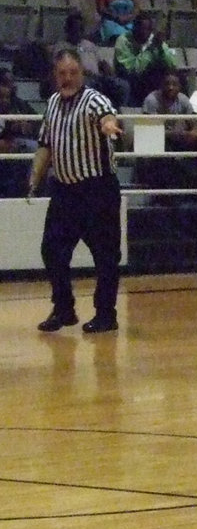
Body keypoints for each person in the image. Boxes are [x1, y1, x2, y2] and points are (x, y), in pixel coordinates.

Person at [27, 48, 124, 334]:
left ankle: (106, 314)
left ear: (82, 73)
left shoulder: (94, 100)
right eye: (62, 74)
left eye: (73, 73)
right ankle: (64, 309)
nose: (67, 78)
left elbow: (108, 117)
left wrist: (109, 126)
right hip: (64, 191)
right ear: (54, 76)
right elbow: (45, 145)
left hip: (97, 190)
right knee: (52, 251)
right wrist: (35, 177)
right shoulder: (53, 103)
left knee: (105, 255)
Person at [56, 8, 130, 109]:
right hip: (81, 79)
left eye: (80, 28)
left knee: (122, 85)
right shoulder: (62, 47)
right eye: (75, 28)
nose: (78, 31)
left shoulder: (89, 44)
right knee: (88, 84)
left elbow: (101, 62)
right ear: (69, 29)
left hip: (99, 77)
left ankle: (119, 113)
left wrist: (108, 70)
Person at [114, 11, 179, 105]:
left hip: (151, 76)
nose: (145, 32)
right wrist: (150, 50)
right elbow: (134, 69)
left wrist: (160, 48)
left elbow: (172, 64)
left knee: (178, 78)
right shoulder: (124, 41)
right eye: (142, 29)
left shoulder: (154, 39)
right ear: (134, 28)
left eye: (148, 29)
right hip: (130, 77)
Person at [0, 68, 39, 197]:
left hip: (18, 146)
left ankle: (32, 192)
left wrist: (26, 125)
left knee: (41, 150)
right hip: (10, 146)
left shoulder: (18, 103)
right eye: (6, 83)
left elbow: (38, 122)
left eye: (11, 82)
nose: (11, 86)